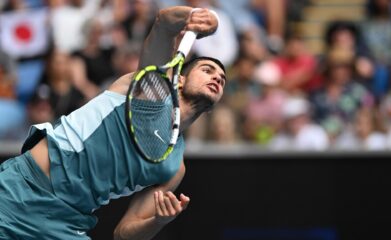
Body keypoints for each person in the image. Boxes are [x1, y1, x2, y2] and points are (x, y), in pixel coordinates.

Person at [0, 6, 225, 240]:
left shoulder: (175, 167)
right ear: (179, 80)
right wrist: (196, 16)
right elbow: (163, 24)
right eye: (208, 70)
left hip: (66, 221)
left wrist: (158, 221)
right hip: (22, 189)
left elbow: (123, 234)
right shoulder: (148, 89)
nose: (217, 77)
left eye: (221, 79)